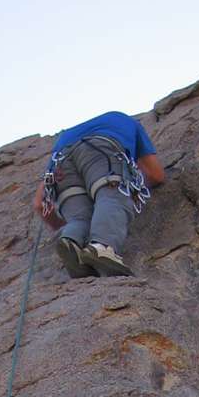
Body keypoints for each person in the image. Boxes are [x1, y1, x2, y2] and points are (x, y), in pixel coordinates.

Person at [33, 109, 166, 279]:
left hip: (61, 165)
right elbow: (156, 174)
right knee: (112, 196)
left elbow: (39, 204)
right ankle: (102, 247)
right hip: (102, 149)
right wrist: (132, 185)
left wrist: (60, 225)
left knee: (80, 218)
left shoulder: (63, 139)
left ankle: (72, 239)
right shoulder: (125, 121)